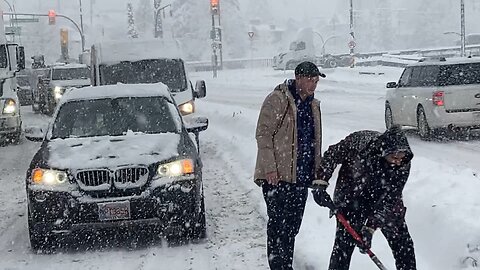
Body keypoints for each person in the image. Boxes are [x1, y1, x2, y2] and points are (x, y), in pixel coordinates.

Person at [254, 61, 326, 270]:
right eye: (310, 80)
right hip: (277, 177)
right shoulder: (278, 100)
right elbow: (263, 134)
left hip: (301, 177)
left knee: (292, 227)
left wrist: (317, 170)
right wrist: (270, 168)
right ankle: (280, 266)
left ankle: (284, 264)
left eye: (316, 81)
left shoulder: (314, 105)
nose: (313, 85)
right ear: (298, 78)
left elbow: (314, 140)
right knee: (279, 227)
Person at [312, 127, 417, 270]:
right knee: (343, 247)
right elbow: (332, 154)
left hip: (384, 199)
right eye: (394, 157)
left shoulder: (403, 163)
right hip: (352, 197)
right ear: (383, 152)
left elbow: (391, 197)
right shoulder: (359, 144)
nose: (398, 162)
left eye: (401, 158)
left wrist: (370, 229)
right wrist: (320, 182)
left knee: (403, 245)